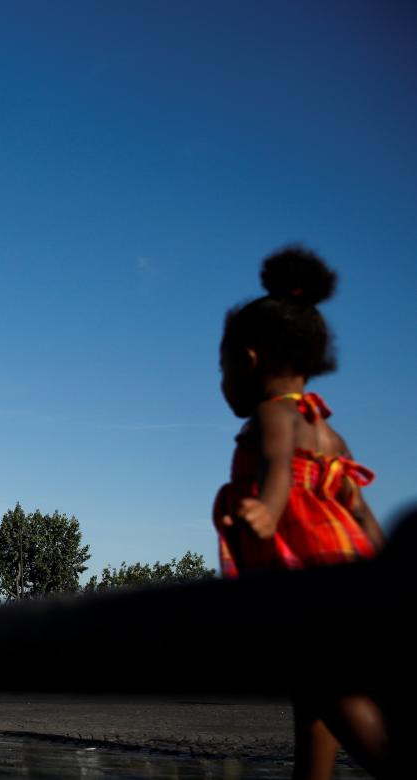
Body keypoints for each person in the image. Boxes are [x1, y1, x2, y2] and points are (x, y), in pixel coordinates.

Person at [212, 247, 392, 779]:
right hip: (343, 573)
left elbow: (276, 467)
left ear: (248, 359)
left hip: (304, 575)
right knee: (313, 706)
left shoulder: (273, 415)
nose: (222, 382)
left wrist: (266, 512)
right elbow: (356, 509)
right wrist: (384, 569)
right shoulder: (331, 433)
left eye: (220, 368)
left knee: (329, 692)